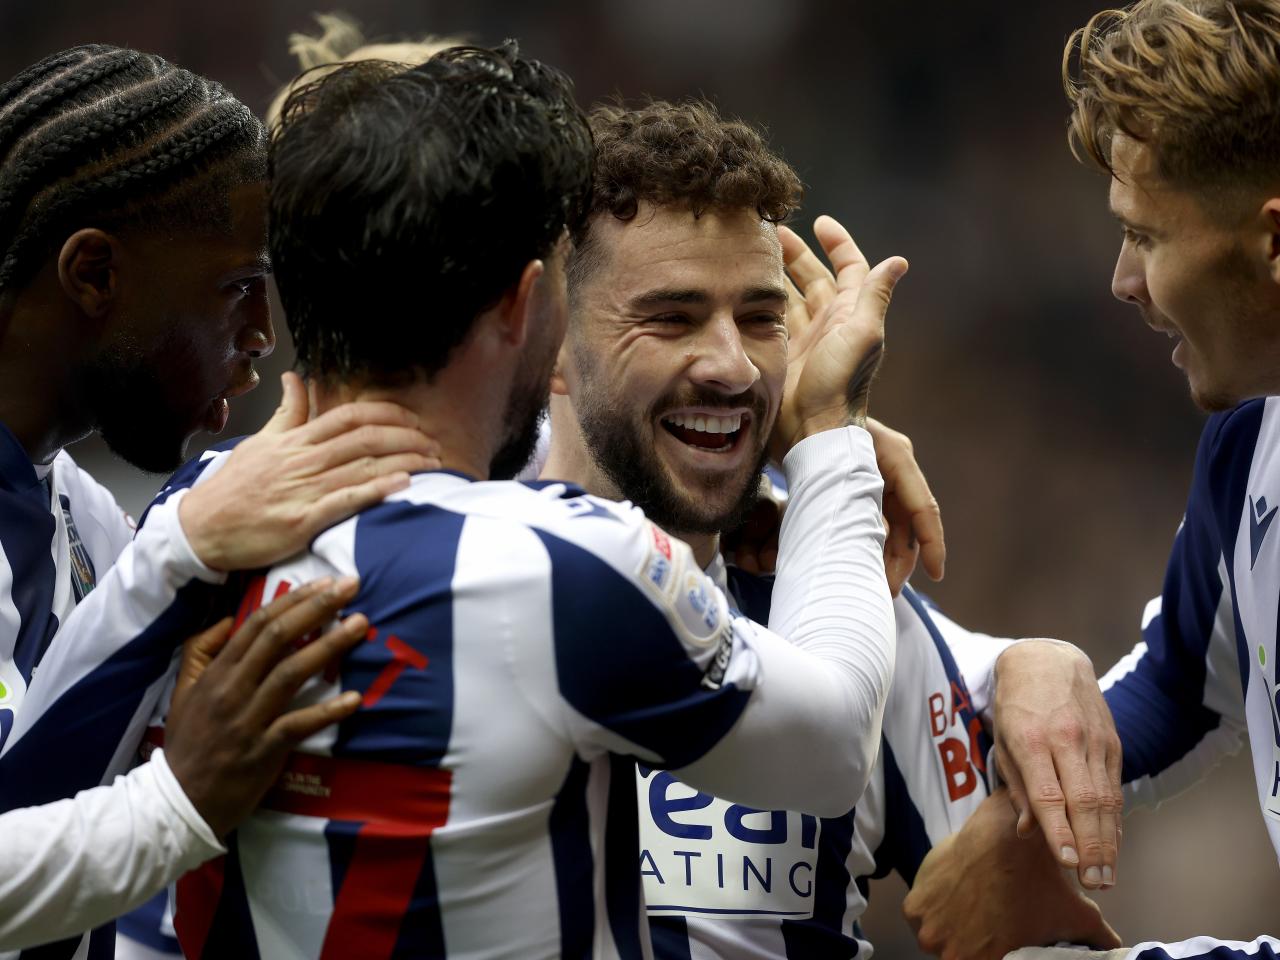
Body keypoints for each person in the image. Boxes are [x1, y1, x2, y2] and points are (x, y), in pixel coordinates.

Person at [14, 43, 909, 958]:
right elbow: (835, 745)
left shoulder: (194, 524)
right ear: (526, 306)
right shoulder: (577, 567)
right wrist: (832, 439)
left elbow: (21, 819)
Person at [538, 96, 1120, 958]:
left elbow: (1023, 937)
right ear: (550, 339)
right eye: (672, 317)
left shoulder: (849, 608)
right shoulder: (458, 572)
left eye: (762, 317)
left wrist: (1018, 664)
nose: (732, 365)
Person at [0, 43, 440, 959]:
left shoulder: (78, 514)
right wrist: (182, 797)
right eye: (238, 286)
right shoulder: (156, 540)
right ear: (94, 274)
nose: (261, 336)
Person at [904, 2, 1280, 956]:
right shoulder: (1248, 449)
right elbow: (1180, 689)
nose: (1122, 280)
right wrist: (1031, 740)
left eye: (1147, 237)